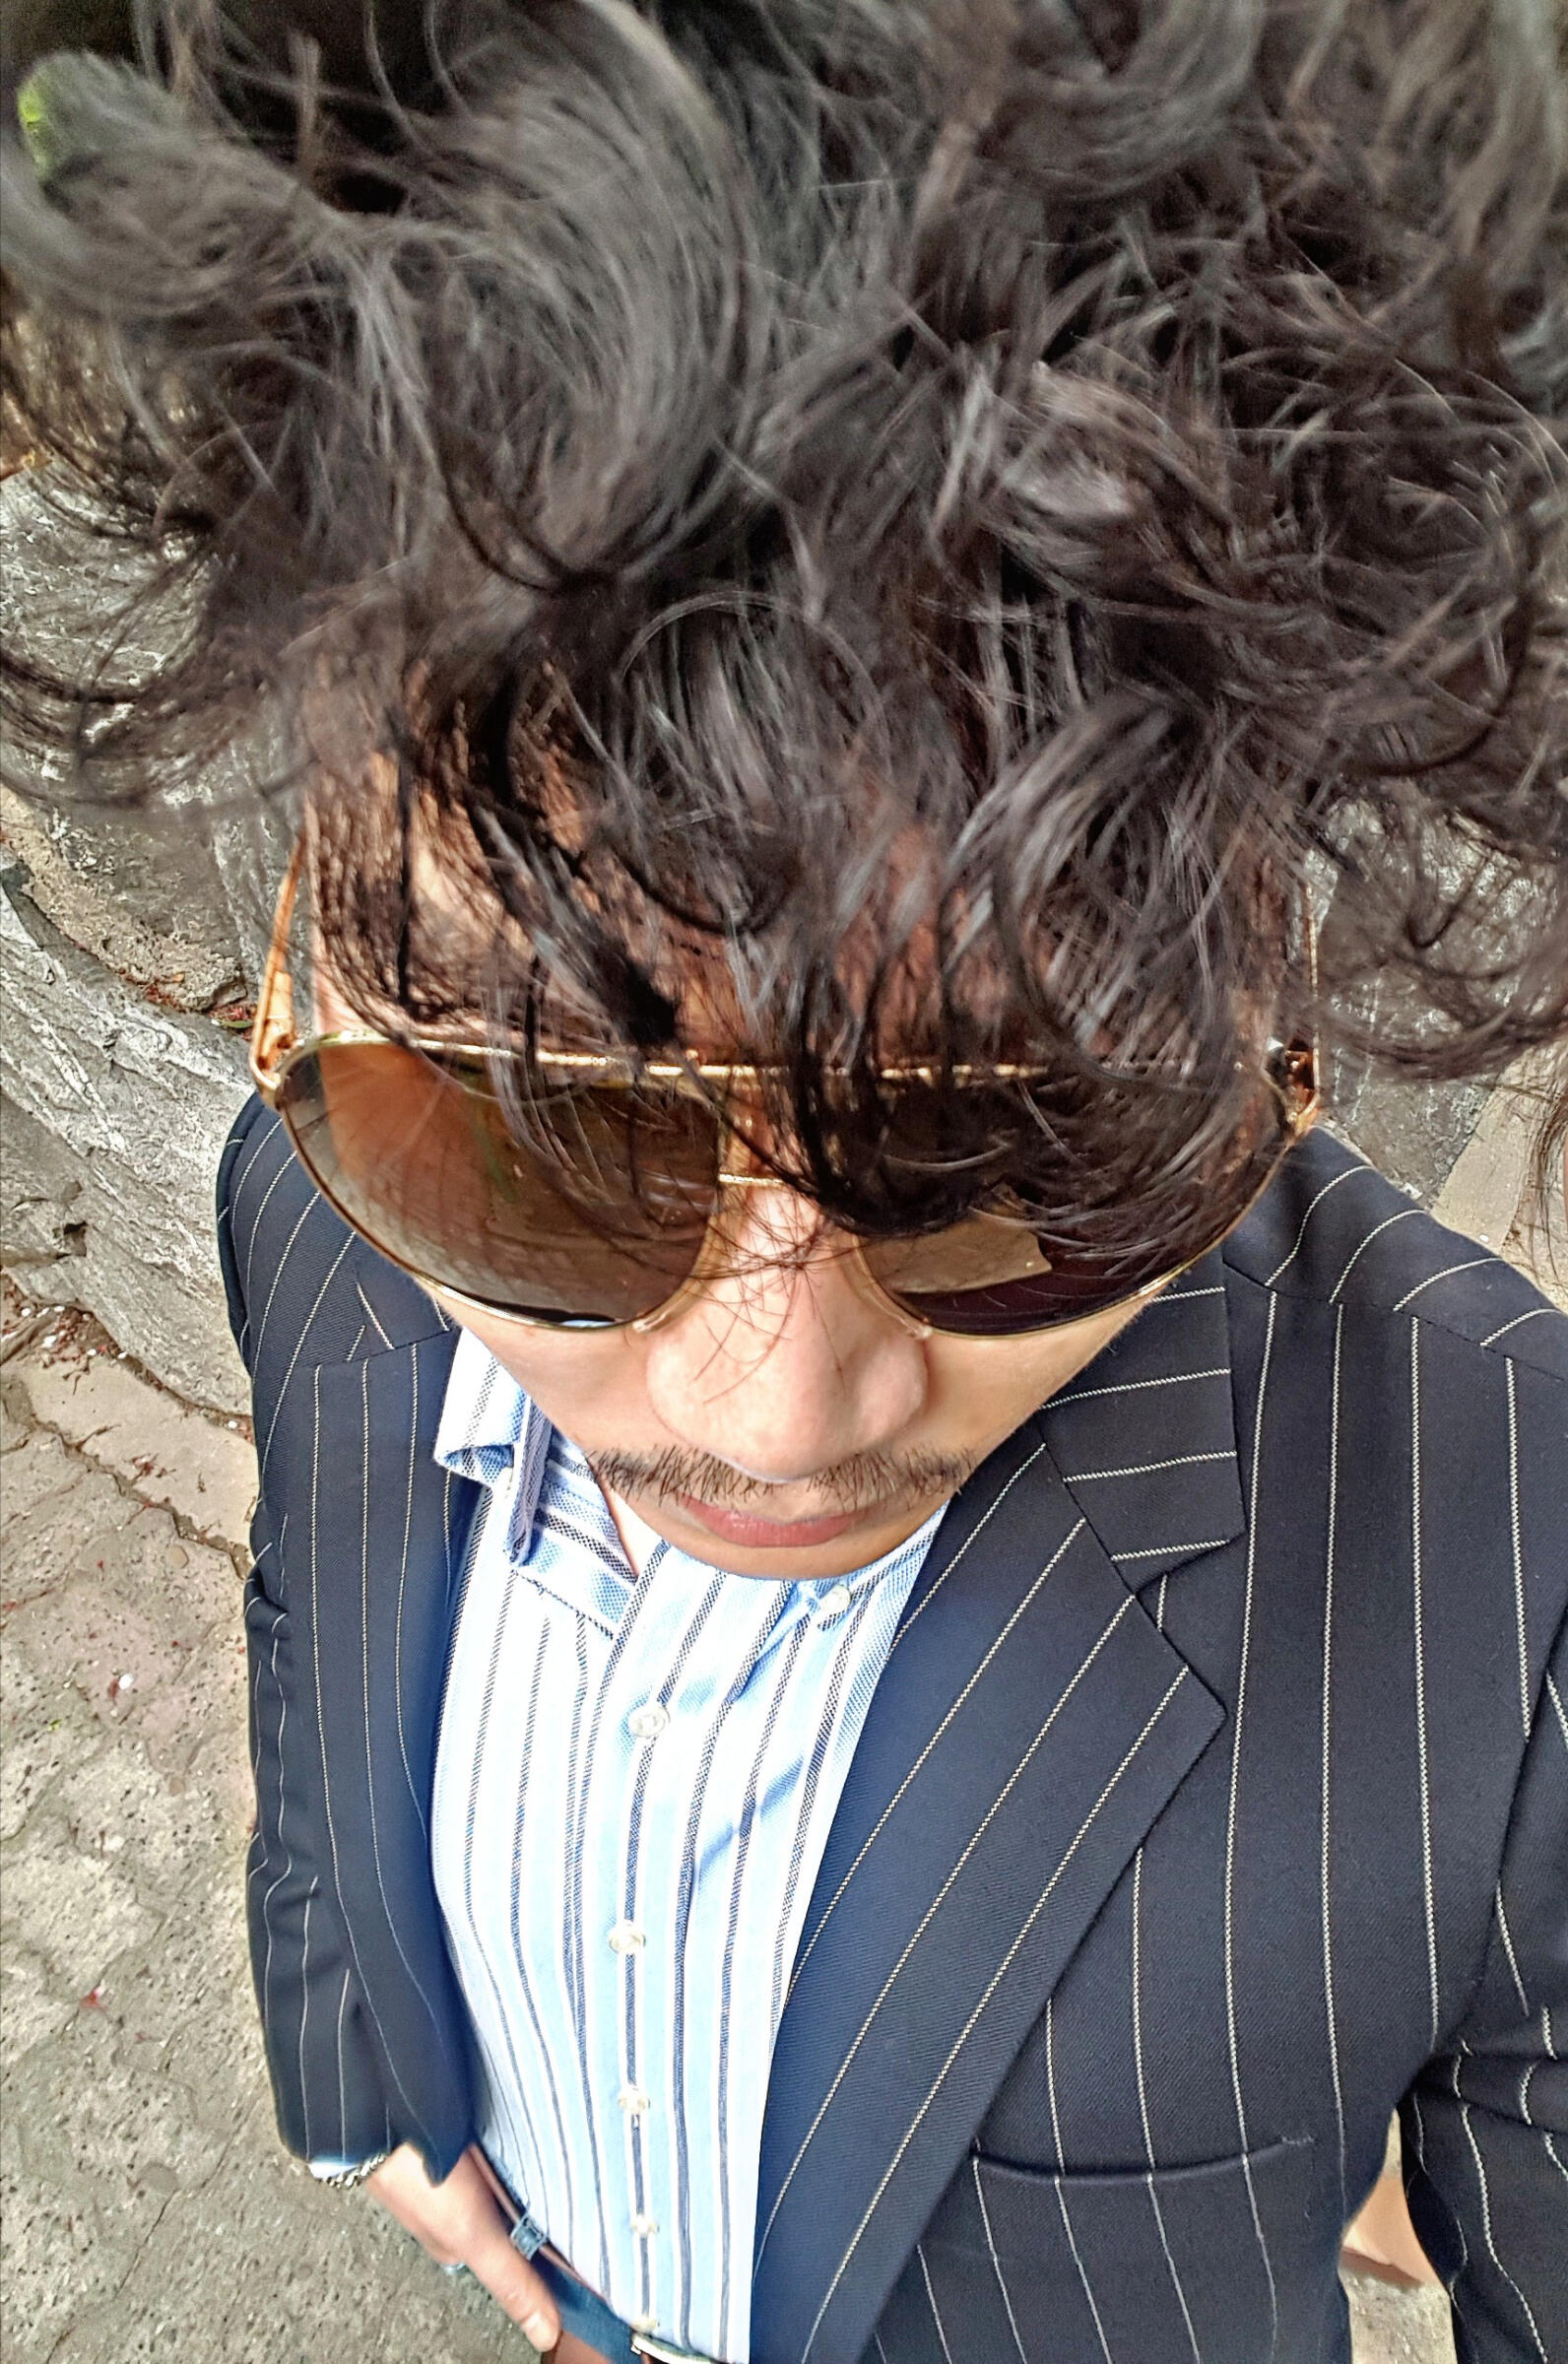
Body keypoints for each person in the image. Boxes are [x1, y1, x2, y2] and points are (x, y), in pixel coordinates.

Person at [4, 4, 1566, 2358]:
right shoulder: (320, 1204)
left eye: (1019, 1133)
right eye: (548, 1128)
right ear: (302, 966)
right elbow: (314, 1626)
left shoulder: (1511, 1550)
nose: (781, 1411)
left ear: (1274, 1002)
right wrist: (360, 2073)